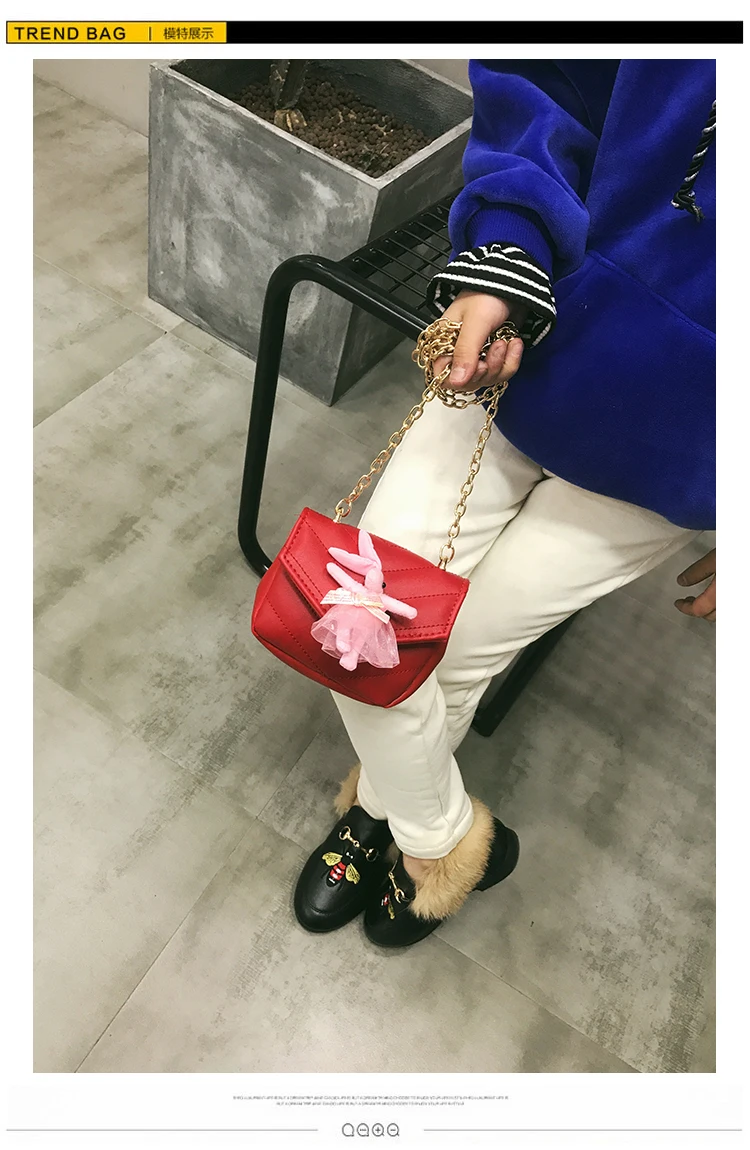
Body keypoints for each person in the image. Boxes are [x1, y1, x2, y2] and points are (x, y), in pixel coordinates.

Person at [293, 59, 716, 948]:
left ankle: (380, 809)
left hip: (687, 455)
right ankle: (442, 843)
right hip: (529, 346)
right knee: (360, 632)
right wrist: (508, 245)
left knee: (457, 659)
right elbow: (551, 75)